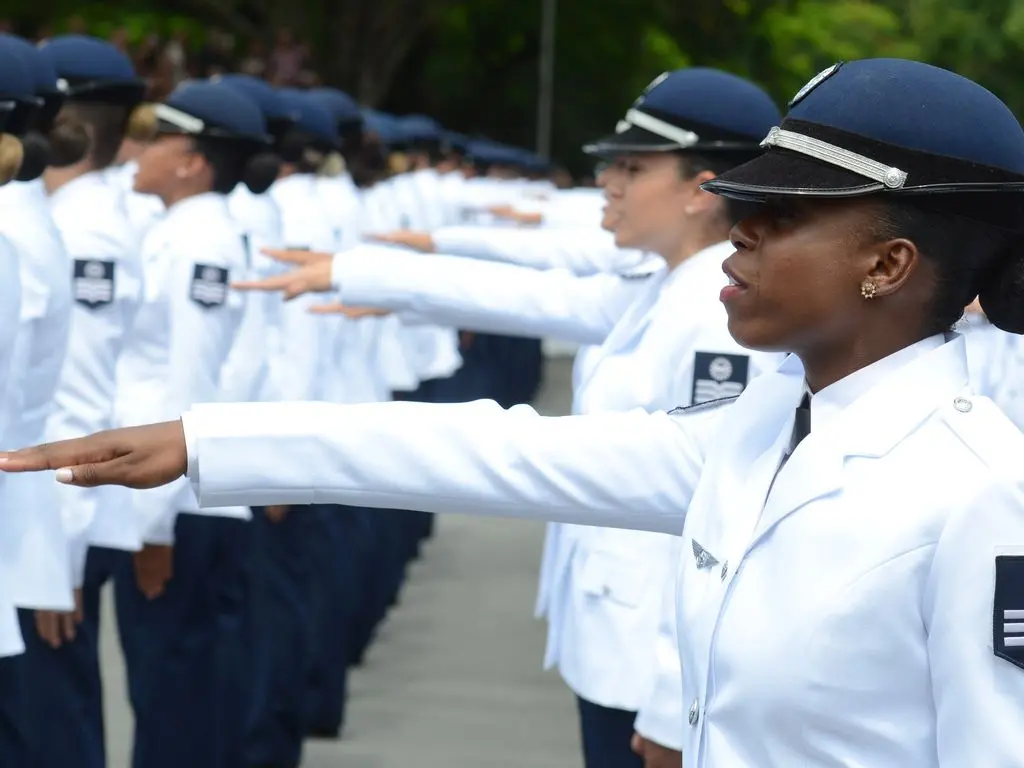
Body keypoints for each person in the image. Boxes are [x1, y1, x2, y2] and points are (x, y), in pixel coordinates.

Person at [7, 58, 1024, 766]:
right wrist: (208, 441)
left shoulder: (978, 492)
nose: (740, 237)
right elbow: (492, 451)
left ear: (890, 264)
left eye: (782, 216)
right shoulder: (761, 432)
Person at [245, 67, 785, 768]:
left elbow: (717, 523)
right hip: (611, 641)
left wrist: (671, 697)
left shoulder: (719, 316)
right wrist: (361, 274)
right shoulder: (666, 284)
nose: (608, 184)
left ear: (700, 188)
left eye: (630, 167)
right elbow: (535, 295)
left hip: (651, 667)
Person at [112, 78, 270, 768]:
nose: (138, 152)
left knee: (176, 700)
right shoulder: (180, 230)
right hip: (183, 503)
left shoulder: (201, 241)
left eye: (156, 140)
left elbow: (189, 386)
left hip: (183, 509)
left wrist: (153, 525)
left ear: (191, 162)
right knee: (175, 694)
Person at [29, 34, 147, 768]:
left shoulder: (82, 226)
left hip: (58, 518)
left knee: (52, 725)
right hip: (54, 514)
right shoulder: (78, 213)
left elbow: (77, 394)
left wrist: (59, 556)